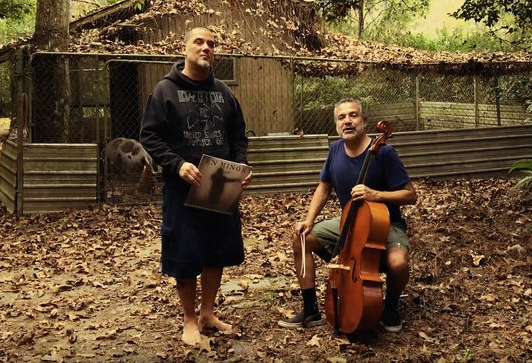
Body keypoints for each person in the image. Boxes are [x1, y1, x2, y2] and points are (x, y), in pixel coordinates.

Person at [140, 26, 251, 346]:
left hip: (220, 183)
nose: (206, 48)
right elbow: (149, 136)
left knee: (216, 251)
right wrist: (177, 165)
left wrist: (242, 165)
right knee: (186, 253)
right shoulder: (165, 91)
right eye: (199, 42)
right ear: (184, 47)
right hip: (182, 188)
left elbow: (238, 135)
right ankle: (189, 320)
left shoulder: (224, 92)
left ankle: (207, 313)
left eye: (212, 44)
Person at [277, 98, 417, 332]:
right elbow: (324, 187)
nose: (347, 121)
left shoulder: (384, 152)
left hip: (387, 223)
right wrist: (308, 220)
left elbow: (410, 195)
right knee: (301, 240)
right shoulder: (335, 150)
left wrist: (376, 194)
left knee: (398, 262)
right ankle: (311, 309)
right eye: (342, 118)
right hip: (350, 222)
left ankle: (391, 307)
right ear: (336, 125)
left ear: (364, 121)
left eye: (353, 115)